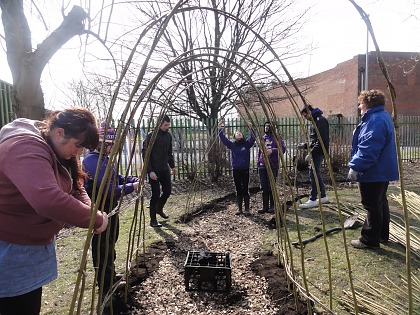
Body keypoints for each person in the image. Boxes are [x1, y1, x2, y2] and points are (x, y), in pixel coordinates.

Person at [0, 108, 108, 315]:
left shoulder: (55, 146)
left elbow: (77, 186)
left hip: (30, 243)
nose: (78, 153)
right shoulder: (24, 148)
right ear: (59, 132)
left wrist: (91, 210)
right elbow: (47, 199)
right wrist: (93, 219)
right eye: (78, 146)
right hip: (10, 250)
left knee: (29, 304)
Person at [82, 121, 140, 295]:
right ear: (102, 144)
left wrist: (131, 180)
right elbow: (109, 190)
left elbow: (117, 177)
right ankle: (105, 284)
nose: (113, 148)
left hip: (111, 209)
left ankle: (111, 275)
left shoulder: (106, 159)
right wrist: (132, 188)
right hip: (100, 210)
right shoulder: (92, 161)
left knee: (111, 243)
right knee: (102, 247)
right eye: (110, 145)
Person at [348, 90, 399, 249]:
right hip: (382, 171)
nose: (359, 106)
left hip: (373, 172)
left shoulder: (374, 120)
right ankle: (382, 235)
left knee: (372, 205)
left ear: (368, 104)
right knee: (380, 202)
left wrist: (355, 167)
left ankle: (369, 240)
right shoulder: (382, 117)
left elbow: (368, 149)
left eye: (361, 103)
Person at [142, 115, 176, 228]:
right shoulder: (151, 136)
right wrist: (150, 171)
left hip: (164, 168)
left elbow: (169, 152)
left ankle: (159, 209)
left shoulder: (168, 136)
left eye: (168, 125)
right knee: (155, 194)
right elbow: (145, 155)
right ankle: (153, 220)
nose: (167, 127)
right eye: (165, 125)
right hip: (154, 170)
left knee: (167, 191)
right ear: (159, 124)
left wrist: (172, 165)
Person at [218, 120, 256, 216]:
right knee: (238, 188)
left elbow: (253, 138)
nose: (238, 134)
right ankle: (240, 209)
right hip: (236, 169)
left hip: (245, 169)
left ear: (242, 135)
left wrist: (251, 128)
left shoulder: (246, 144)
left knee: (245, 188)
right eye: (237, 133)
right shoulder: (232, 144)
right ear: (234, 136)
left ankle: (247, 209)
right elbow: (223, 139)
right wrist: (220, 129)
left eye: (240, 133)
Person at [299, 105, 330, 209]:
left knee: (313, 174)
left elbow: (321, 141)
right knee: (315, 173)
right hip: (316, 151)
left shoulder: (320, 121)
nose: (305, 118)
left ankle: (313, 198)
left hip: (318, 152)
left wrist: (311, 153)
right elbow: (314, 141)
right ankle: (323, 196)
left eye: (305, 115)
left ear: (309, 113)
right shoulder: (315, 122)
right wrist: (305, 146)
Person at [257, 121, 286, 214]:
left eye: (268, 126)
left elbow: (282, 150)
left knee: (271, 185)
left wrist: (272, 150)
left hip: (273, 164)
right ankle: (265, 206)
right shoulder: (262, 138)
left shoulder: (277, 138)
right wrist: (258, 162)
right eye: (265, 126)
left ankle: (272, 206)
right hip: (262, 165)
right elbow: (259, 151)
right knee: (264, 186)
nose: (266, 128)